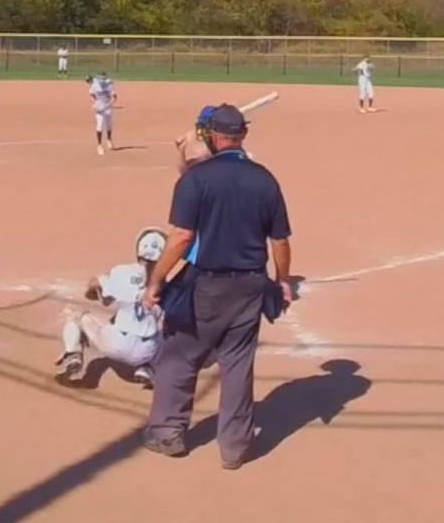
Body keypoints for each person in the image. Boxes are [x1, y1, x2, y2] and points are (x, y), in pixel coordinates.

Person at [143, 103, 293, 469]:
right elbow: (280, 241)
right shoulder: (265, 179)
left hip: (206, 285)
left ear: (212, 136)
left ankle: (168, 432)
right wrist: (283, 281)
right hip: (251, 285)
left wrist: (156, 280)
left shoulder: (197, 179)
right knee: (237, 364)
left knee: (180, 355)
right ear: (243, 135)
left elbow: (181, 237)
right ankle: (234, 447)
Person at [56, 226, 167, 389]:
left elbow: (93, 285)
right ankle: (148, 368)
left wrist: (97, 290)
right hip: (146, 351)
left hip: (115, 343)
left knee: (78, 319)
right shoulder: (168, 284)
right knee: (168, 332)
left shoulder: (122, 272)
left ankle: (73, 354)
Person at [88, 72, 117, 155]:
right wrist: (96, 102)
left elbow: (115, 97)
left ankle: (109, 139)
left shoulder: (109, 85)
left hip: (108, 107)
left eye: (103, 78)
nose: (101, 80)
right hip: (99, 108)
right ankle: (99, 145)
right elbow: (91, 94)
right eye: (100, 78)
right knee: (99, 126)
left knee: (109, 126)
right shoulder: (94, 85)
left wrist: (108, 105)